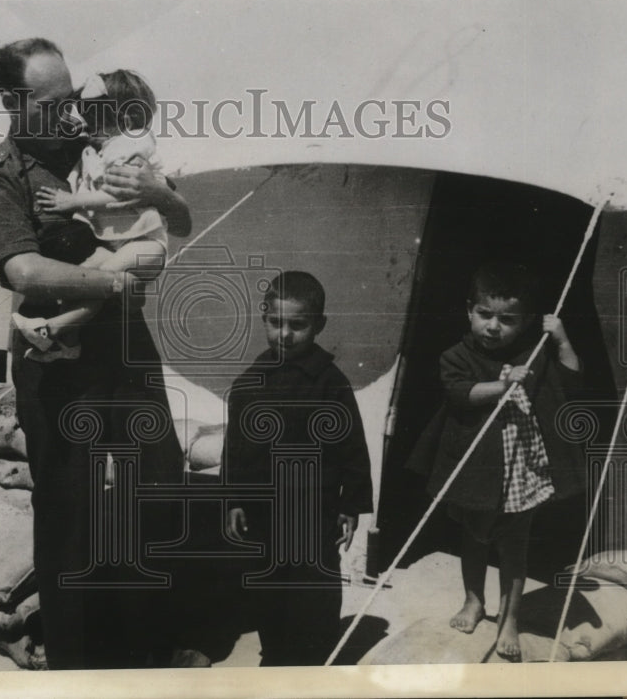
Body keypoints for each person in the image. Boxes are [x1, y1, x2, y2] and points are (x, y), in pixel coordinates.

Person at [0, 37, 190, 669]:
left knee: (155, 481)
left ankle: (149, 645)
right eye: (53, 100)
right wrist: (114, 280)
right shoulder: (0, 177)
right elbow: (24, 271)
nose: (69, 111)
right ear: (13, 101)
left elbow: (178, 219)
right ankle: (75, 660)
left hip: (124, 346)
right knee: (70, 507)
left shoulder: (100, 138)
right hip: (56, 363)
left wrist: (159, 190)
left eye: (72, 97)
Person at [408, 261, 586, 660]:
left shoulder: (534, 352)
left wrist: (560, 338)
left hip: (521, 472)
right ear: (469, 310)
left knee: (513, 549)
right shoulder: (456, 355)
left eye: (507, 320)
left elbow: (572, 378)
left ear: (524, 323)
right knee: (472, 539)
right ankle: (474, 601)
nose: (493, 327)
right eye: (485, 315)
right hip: (478, 472)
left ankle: (510, 620)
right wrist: (503, 384)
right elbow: (460, 394)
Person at [225, 271, 374, 666]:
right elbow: (234, 448)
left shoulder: (330, 384)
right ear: (264, 319)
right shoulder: (249, 383)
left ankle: (313, 655)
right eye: (276, 323)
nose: (285, 335)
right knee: (268, 585)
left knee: (314, 587)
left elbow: (352, 447)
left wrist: (351, 505)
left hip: (314, 509)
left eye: (298, 325)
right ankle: (275, 651)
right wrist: (234, 500)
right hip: (264, 510)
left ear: (319, 325)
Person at [13, 69, 169, 361]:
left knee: (101, 278)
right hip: (120, 243)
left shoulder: (132, 145)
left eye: (97, 118)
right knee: (91, 281)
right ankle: (63, 339)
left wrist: (73, 202)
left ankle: (54, 328)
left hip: (147, 244)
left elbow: (121, 194)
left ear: (125, 120)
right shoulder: (100, 147)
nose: (88, 124)